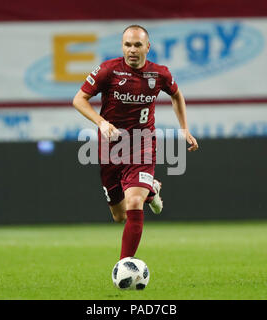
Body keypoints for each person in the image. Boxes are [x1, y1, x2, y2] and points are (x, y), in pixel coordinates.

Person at [72, 25, 198, 260]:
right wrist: (100, 122)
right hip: (110, 146)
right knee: (119, 216)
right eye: (128, 45)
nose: (132, 49)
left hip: (143, 144)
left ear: (147, 47)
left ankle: (125, 265)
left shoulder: (160, 74)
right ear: (122, 47)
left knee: (134, 202)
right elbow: (79, 99)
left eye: (137, 45)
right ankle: (152, 189)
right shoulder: (108, 71)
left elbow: (176, 95)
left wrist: (184, 128)